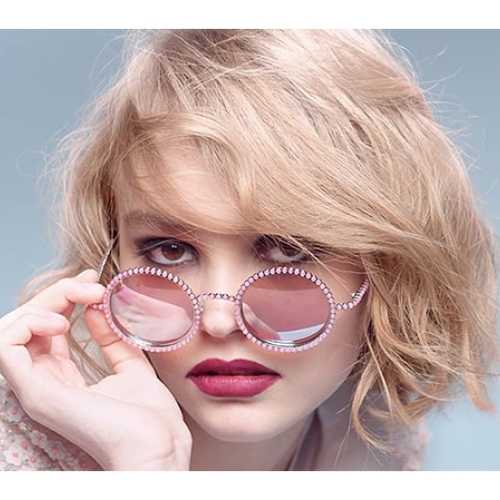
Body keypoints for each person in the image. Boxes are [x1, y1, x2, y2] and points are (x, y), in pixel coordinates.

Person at [0, 29, 498, 471]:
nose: (219, 322)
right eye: (170, 250)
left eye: (287, 250)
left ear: (389, 271)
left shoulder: (375, 438)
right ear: (111, 263)